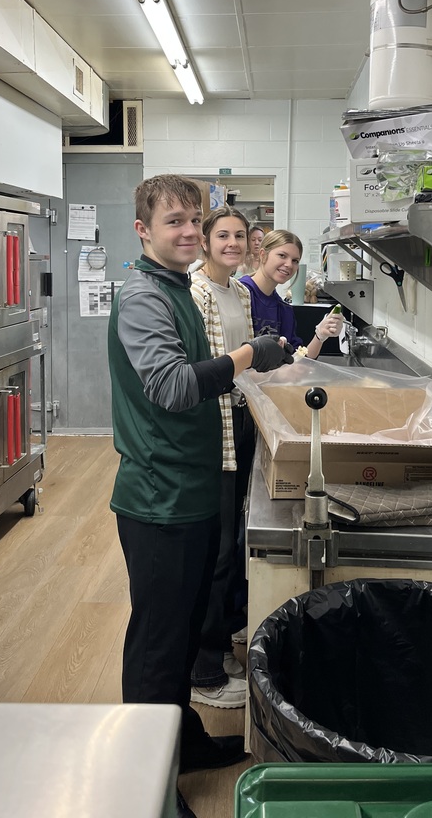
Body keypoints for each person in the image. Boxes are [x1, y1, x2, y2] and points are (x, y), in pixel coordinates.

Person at [107, 175, 293, 818]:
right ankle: (146, 785)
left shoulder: (176, 288)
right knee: (158, 645)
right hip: (158, 495)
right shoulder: (143, 297)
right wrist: (247, 355)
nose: (189, 231)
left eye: (195, 218)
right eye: (174, 222)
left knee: (186, 631)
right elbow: (172, 387)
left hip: (191, 484)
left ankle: (180, 740)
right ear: (143, 230)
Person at [189, 206, 255, 709]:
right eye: (223, 235)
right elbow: (205, 370)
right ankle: (204, 670)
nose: (232, 243)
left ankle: (221, 645)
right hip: (216, 430)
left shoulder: (239, 292)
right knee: (215, 551)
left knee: (231, 544)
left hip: (242, 419)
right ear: (206, 241)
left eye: (240, 235)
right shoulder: (198, 292)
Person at [239, 229, 343, 357]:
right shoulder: (241, 293)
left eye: (295, 261)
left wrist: (320, 335)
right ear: (263, 254)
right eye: (282, 255)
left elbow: (297, 359)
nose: (289, 264)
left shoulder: (283, 309)